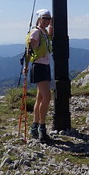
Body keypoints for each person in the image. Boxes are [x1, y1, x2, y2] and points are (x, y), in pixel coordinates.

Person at [25, 9, 53, 143]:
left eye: (49, 18)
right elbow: (31, 46)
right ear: (39, 19)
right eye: (45, 18)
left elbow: (50, 35)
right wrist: (26, 65)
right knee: (47, 97)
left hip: (44, 66)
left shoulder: (44, 32)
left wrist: (52, 23)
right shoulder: (36, 32)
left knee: (40, 98)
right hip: (39, 67)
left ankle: (34, 127)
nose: (47, 21)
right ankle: (42, 128)